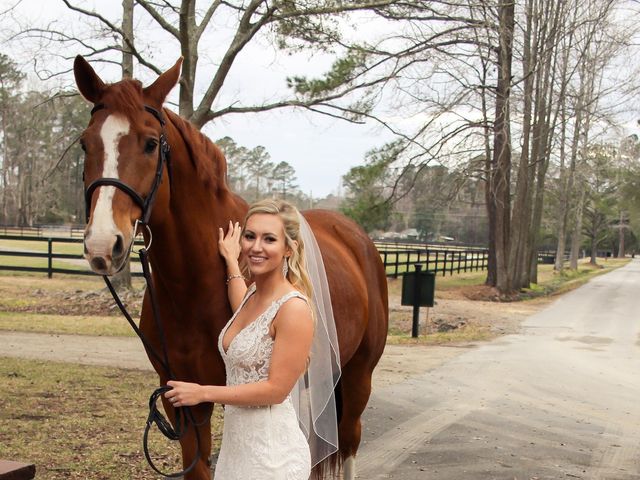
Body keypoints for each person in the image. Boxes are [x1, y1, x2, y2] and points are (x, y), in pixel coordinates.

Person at [165, 199, 315, 479]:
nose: (256, 247)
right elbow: (241, 302)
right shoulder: (252, 297)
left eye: (269, 239)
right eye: (250, 236)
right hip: (237, 451)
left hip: (272, 458)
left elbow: (276, 390)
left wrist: (202, 392)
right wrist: (231, 260)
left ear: (289, 248)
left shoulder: (293, 309)